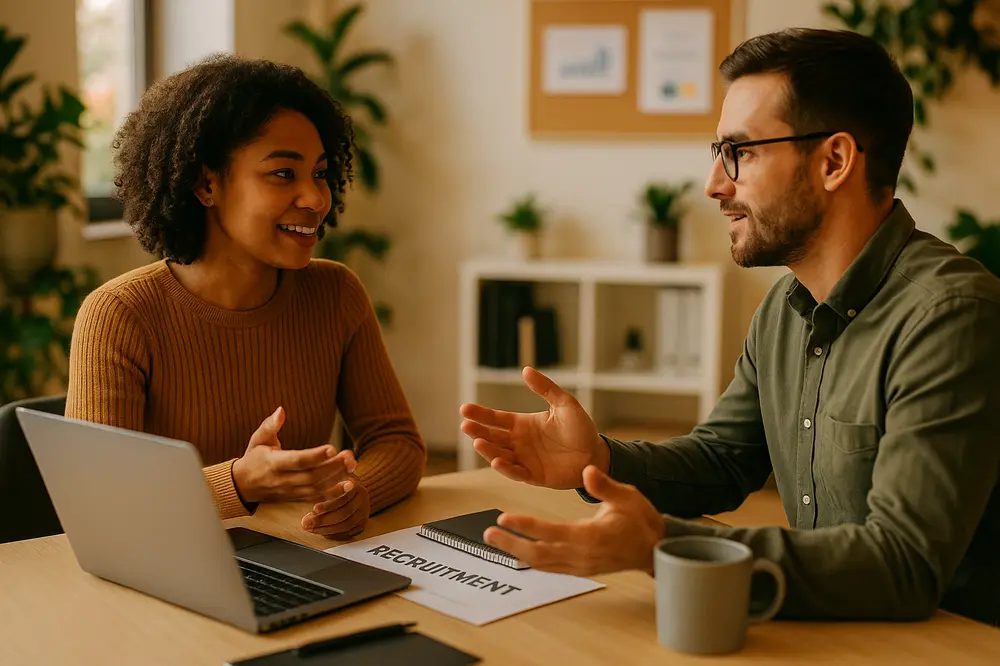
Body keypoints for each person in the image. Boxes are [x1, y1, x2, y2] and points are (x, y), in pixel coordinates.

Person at [460, 28, 1000, 626]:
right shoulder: (783, 310)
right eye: (718, 153)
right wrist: (600, 459)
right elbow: (724, 460)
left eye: (740, 152)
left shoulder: (949, 315)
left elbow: (904, 563)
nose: (716, 184)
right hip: (830, 630)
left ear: (835, 161)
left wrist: (664, 546)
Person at [66, 54, 426, 540]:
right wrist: (238, 481)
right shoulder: (119, 315)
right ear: (206, 183)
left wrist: (355, 490)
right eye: (283, 174)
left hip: (304, 558)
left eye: (319, 173)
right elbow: (97, 499)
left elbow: (397, 442)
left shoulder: (336, 294)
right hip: (164, 572)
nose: (316, 199)